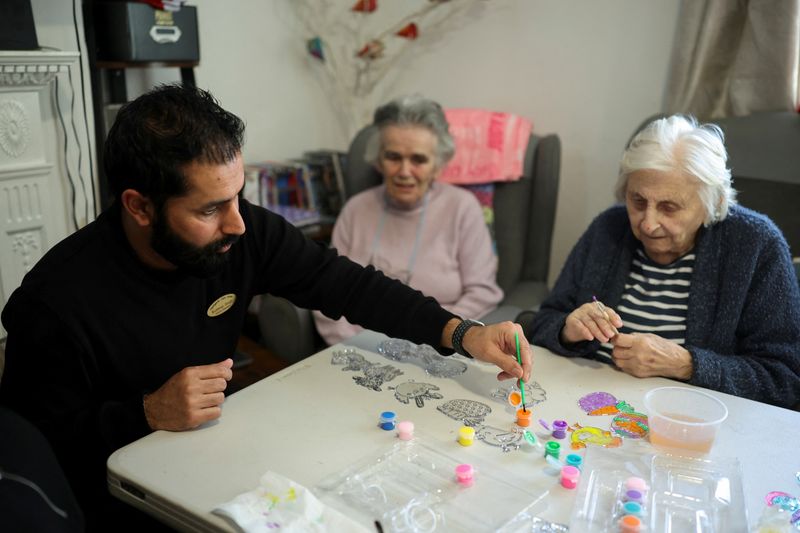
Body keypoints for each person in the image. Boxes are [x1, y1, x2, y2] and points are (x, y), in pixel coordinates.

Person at [0, 84, 532, 530]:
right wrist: (143, 413)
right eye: (210, 208)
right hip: (122, 500)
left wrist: (462, 333)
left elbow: (348, 286)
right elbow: (32, 454)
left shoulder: (243, 231)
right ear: (139, 206)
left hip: (221, 455)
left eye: (238, 196)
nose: (237, 223)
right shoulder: (55, 302)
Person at [527, 114, 800, 408]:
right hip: (583, 406)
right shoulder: (608, 228)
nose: (648, 223)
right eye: (638, 201)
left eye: (669, 207)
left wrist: (687, 365)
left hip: (689, 423)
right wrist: (567, 330)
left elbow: (785, 378)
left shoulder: (757, 245)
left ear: (713, 204)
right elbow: (544, 320)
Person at [313, 95, 503, 345]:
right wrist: (352, 349)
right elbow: (329, 290)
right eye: (394, 157)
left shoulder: (462, 208)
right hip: (359, 349)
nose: (404, 171)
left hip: (437, 347)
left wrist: (440, 337)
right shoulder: (356, 210)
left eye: (419, 159)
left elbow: (482, 293)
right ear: (379, 160)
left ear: (438, 164)